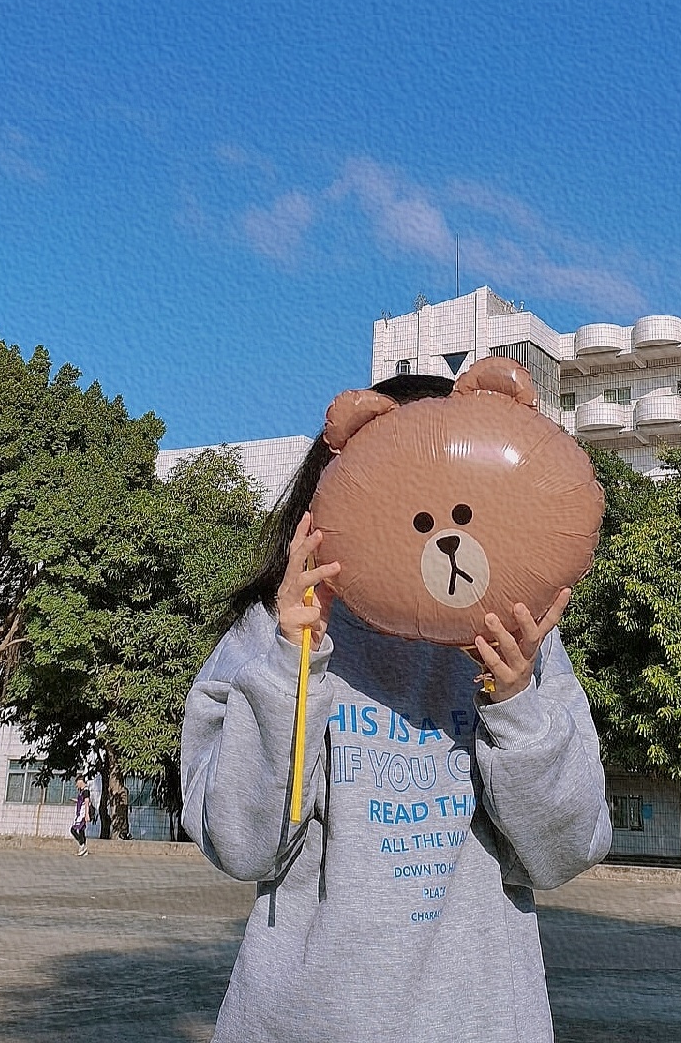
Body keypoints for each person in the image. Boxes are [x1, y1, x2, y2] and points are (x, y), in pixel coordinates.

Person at [181, 374, 612, 1043]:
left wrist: (516, 701)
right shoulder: (272, 637)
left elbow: (562, 854)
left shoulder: (522, 646)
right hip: (303, 1022)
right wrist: (292, 663)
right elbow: (242, 846)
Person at [70, 776, 93, 856]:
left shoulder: (86, 791)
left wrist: (87, 814)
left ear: (80, 781)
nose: (76, 785)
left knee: (73, 830)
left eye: (77, 783)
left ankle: (82, 845)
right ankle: (83, 849)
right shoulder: (82, 791)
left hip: (82, 814)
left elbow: (87, 802)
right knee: (81, 831)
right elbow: (82, 801)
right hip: (79, 813)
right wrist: (76, 801)